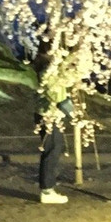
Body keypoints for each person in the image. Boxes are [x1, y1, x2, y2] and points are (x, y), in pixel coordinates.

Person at [34, 45, 73, 204]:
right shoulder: (46, 71)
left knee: (53, 149)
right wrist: (71, 111)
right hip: (49, 115)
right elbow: (55, 94)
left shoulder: (50, 69)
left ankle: (48, 188)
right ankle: (47, 189)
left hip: (50, 114)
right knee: (52, 150)